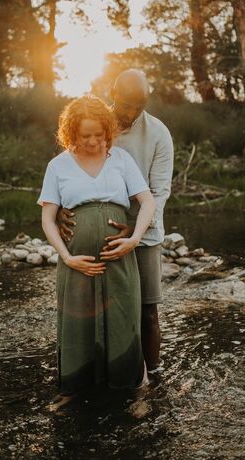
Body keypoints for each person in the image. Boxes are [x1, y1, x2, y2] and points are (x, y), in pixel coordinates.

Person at [37, 95, 156, 399]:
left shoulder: (120, 159)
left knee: (124, 320)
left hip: (119, 256)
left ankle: (136, 390)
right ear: (72, 133)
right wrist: (66, 257)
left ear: (107, 131)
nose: (93, 142)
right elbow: (48, 218)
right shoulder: (58, 165)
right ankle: (73, 392)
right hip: (77, 259)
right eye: (85, 135)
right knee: (76, 326)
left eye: (99, 135)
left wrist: (133, 240)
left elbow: (147, 201)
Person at [59, 69, 174, 374]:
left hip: (144, 235)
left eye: (139, 106)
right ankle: (106, 374)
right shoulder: (96, 125)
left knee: (147, 312)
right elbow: (70, 167)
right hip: (104, 234)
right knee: (103, 310)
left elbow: (159, 193)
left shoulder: (159, 134)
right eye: (125, 105)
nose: (131, 113)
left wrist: (135, 230)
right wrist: (59, 208)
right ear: (113, 95)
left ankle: (154, 379)